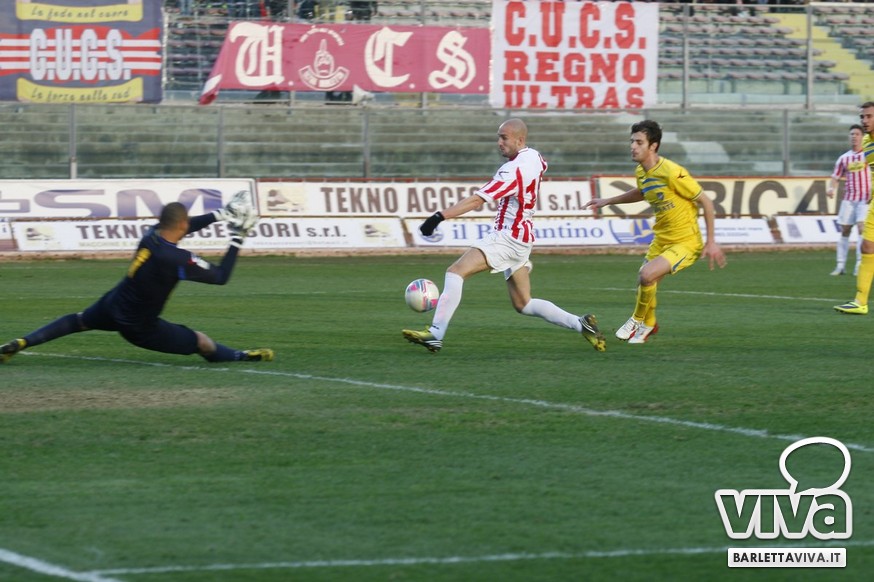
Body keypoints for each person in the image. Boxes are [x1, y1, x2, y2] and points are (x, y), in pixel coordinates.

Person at [402, 118, 606, 354]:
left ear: (520, 140)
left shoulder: (512, 170)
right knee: (523, 303)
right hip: (523, 238)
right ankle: (581, 324)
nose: (499, 143)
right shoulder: (534, 157)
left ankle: (436, 333)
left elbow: (476, 200)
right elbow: (542, 165)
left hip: (508, 237)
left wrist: (438, 217)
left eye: (504, 138)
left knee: (455, 272)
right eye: (498, 137)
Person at [0, 201, 273, 364]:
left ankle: (23, 342)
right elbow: (221, 277)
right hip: (139, 325)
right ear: (182, 225)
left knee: (78, 321)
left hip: (114, 302)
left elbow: (183, 225)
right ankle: (239, 356)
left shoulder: (150, 236)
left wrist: (222, 214)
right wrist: (237, 237)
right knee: (201, 342)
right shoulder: (177, 259)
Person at [584, 119, 727, 344]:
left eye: (639, 142)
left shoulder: (672, 172)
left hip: (686, 241)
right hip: (661, 239)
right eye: (632, 141)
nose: (633, 146)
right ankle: (649, 324)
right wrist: (608, 201)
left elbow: (706, 201)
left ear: (653, 146)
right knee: (645, 282)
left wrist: (711, 242)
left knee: (647, 275)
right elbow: (642, 192)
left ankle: (636, 320)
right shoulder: (641, 171)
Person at [835, 102, 874, 315]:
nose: (864, 121)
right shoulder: (866, 142)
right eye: (862, 117)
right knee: (867, 246)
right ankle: (860, 302)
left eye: (869, 116)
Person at [826, 124, 871, 277]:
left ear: (862, 137)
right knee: (845, 230)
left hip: (865, 199)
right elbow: (835, 177)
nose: (854, 137)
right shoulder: (844, 158)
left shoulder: (869, 154)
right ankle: (840, 265)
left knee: (861, 228)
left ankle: (859, 264)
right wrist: (831, 189)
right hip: (849, 199)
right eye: (852, 134)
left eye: (857, 134)